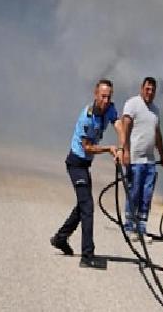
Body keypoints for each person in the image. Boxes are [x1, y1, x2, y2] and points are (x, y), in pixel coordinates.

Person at [50, 79, 123, 269]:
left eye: (109, 97)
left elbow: (120, 126)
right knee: (88, 207)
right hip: (76, 163)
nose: (106, 101)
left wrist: (122, 148)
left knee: (82, 206)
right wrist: (109, 149)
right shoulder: (87, 117)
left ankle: (60, 238)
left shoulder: (110, 109)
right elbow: (88, 147)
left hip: (85, 165)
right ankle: (87, 255)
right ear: (95, 94)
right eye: (103, 96)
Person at [121, 77, 163, 241]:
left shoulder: (155, 110)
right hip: (134, 159)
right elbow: (125, 128)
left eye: (153, 90)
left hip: (149, 161)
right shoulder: (133, 104)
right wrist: (125, 151)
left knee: (146, 195)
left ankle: (141, 227)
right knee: (134, 192)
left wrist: (162, 155)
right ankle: (129, 226)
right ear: (142, 88)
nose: (150, 92)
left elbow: (157, 134)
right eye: (147, 89)